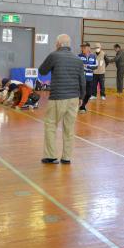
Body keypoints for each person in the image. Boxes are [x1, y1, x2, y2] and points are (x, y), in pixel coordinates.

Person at [38, 34, 85, 164]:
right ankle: (66, 157)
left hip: (58, 97)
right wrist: (81, 96)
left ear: (58, 44)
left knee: (51, 125)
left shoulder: (54, 55)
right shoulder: (77, 59)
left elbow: (42, 71)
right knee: (69, 129)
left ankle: (51, 156)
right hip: (74, 98)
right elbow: (82, 80)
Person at [77, 42, 97, 113]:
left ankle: (83, 105)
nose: (82, 49)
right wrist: (84, 67)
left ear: (88, 48)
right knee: (81, 93)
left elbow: (96, 66)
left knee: (89, 93)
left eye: (84, 47)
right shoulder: (79, 56)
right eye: (82, 47)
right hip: (81, 78)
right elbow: (78, 66)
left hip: (90, 78)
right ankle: (81, 107)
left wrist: (87, 66)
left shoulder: (93, 56)